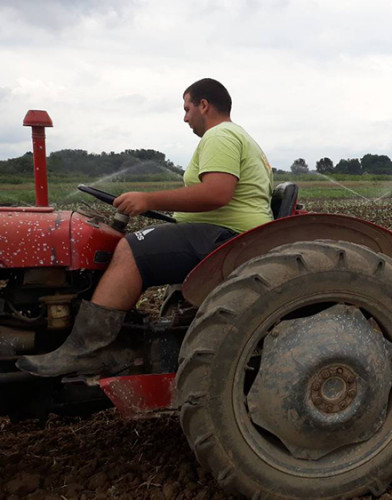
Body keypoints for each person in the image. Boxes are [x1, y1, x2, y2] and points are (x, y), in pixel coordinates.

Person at [18, 78, 274, 377]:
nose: (185, 117)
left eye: (187, 108)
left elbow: (217, 192)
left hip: (226, 238)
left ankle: (87, 350)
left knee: (131, 248)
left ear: (204, 105)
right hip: (226, 233)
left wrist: (147, 199)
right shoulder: (238, 137)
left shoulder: (221, 135)